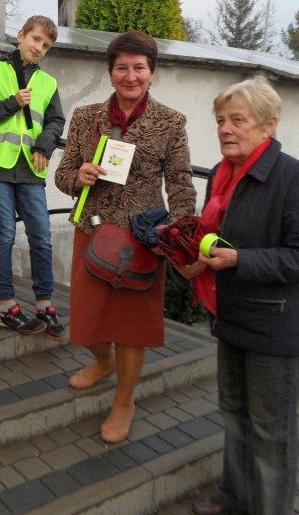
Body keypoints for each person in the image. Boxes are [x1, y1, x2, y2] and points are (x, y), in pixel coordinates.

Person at [190, 77, 299, 515]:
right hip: (232, 318)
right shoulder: (221, 174)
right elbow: (214, 234)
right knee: (233, 415)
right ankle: (233, 497)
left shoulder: (297, 179)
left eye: (237, 120)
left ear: (268, 126)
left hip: (278, 326)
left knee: (271, 432)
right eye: (220, 120)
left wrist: (240, 261)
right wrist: (190, 250)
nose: (225, 129)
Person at [54, 31, 196, 443]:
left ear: (152, 72)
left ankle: (125, 400)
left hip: (143, 239)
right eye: (122, 68)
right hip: (94, 231)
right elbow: (64, 174)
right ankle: (104, 362)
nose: (130, 76)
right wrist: (77, 177)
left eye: (139, 67)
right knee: (86, 322)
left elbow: (182, 184)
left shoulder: (170, 122)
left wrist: (179, 230)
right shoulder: (86, 117)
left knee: (133, 327)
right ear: (111, 72)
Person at [0, 15, 66, 339]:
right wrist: (11, 103)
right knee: (5, 231)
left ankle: (45, 305)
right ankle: (6, 306)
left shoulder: (48, 84)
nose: (39, 47)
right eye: (35, 39)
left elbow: (55, 122)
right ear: (21, 36)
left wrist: (45, 146)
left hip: (30, 169)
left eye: (46, 45)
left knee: (42, 234)